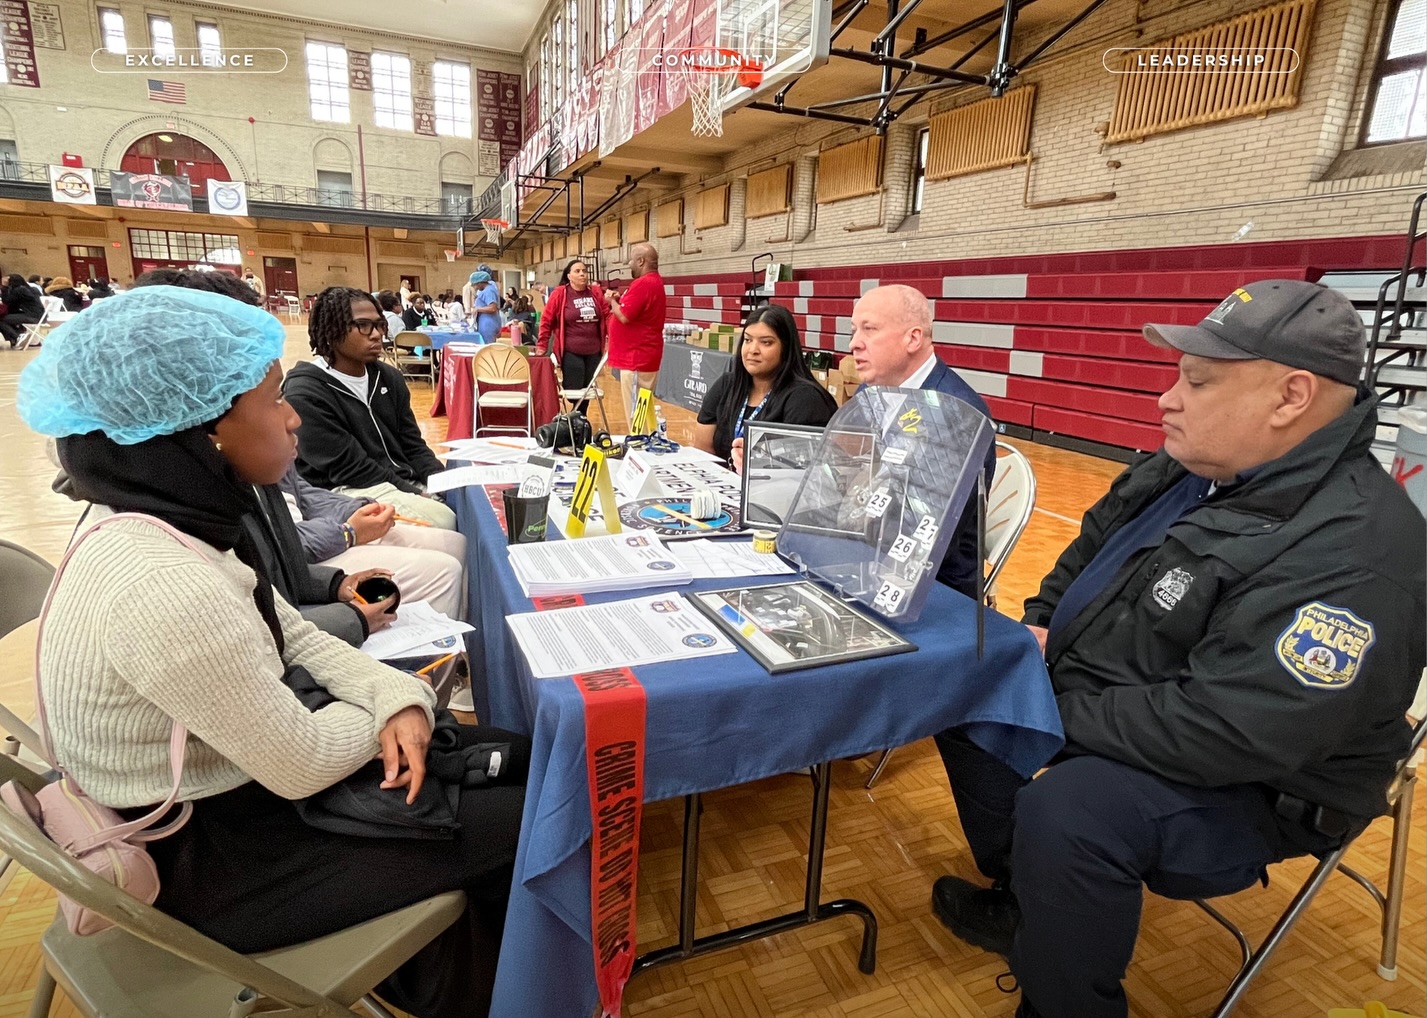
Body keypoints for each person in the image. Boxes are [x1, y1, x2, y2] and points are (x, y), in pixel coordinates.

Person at [16, 285, 528, 1018]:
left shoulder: (165, 519)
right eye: (270, 399)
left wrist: (395, 696)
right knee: (525, 814)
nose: (291, 417)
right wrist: (403, 707)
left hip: (237, 793)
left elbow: (293, 631)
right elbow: (303, 762)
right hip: (211, 860)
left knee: (513, 754)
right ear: (203, 431)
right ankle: (469, 988)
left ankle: (443, 976)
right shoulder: (162, 580)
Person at [929, 280, 1426, 1018]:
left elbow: (1231, 730)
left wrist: (1048, 702)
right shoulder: (1193, 464)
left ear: (1290, 397)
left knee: (1071, 811)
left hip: (1260, 784)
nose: (1167, 398)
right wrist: (1033, 628)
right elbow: (1087, 548)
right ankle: (1029, 901)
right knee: (957, 682)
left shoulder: (1355, 551)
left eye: (1195, 381)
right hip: (1131, 701)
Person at [848, 284, 996, 599]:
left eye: (869, 329)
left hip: (934, 589)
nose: (854, 344)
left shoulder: (958, 415)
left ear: (913, 338)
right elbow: (847, 475)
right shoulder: (868, 393)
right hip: (865, 557)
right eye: (853, 330)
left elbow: (928, 532)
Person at [283, 286, 457, 530]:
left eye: (379, 325)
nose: (376, 334)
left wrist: (442, 483)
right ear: (332, 330)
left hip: (395, 479)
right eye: (363, 325)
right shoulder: (305, 393)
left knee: (462, 502)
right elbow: (352, 469)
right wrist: (418, 494)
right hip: (346, 488)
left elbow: (413, 444)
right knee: (444, 519)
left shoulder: (389, 378)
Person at [279, 464, 467, 621]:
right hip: (301, 563)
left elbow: (302, 494)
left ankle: (463, 655)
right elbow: (280, 547)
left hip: (322, 535)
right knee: (443, 571)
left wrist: (361, 508)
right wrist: (348, 532)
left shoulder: (269, 452)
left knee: (455, 544)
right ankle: (432, 660)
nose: (295, 421)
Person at [695, 303, 837, 466]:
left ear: (785, 348)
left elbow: (802, 469)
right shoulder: (726, 385)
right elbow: (703, 452)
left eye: (766, 342)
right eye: (748, 340)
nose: (752, 350)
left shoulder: (806, 399)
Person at [536, 258, 610, 413]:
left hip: (594, 351)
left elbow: (606, 315)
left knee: (587, 389)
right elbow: (546, 320)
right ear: (569, 276)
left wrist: (615, 337)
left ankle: (580, 420)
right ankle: (575, 416)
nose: (582, 274)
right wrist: (542, 345)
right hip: (571, 351)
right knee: (573, 389)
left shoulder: (595, 292)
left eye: (584, 271)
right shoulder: (560, 293)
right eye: (577, 271)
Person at [607, 242, 668, 420]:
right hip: (642, 357)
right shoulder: (652, 282)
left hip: (637, 359)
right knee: (643, 409)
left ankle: (637, 441)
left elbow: (625, 316)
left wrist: (611, 301)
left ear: (641, 261)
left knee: (635, 414)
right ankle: (644, 440)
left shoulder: (644, 283)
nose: (630, 265)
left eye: (631, 261)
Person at [1, 273, 45, 347]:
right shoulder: (32, 288)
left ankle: (18, 337)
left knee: (2, 320)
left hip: (33, 317)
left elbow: (6, 301)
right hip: (41, 315)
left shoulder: (19, 290)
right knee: (9, 317)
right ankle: (16, 338)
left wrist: (5, 287)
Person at [466, 267, 502, 343]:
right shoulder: (485, 290)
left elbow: (493, 308)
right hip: (485, 322)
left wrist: (478, 309)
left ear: (479, 283)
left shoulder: (489, 290)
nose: (475, 288)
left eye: (475, 285)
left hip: (488, 325)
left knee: (487, 349)